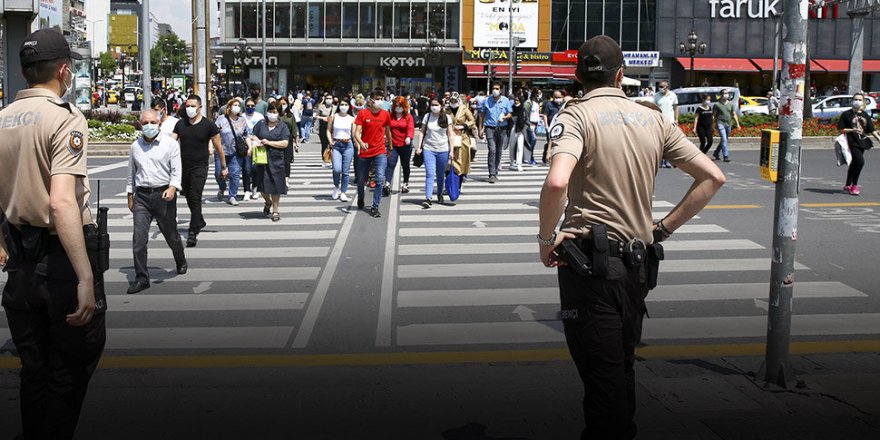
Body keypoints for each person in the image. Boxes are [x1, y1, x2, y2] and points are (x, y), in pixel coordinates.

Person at [537, 35, 725, 440]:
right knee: (621, 367)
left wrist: (545, 238)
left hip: (589, 268)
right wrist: (663, 228)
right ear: (621, 74)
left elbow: (556, 182)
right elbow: (713, 177)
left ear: (577, 76)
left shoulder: (576, 116)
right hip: (637, 264)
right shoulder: (654, 117)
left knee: (601, 380)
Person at [0, 29, 106, 438]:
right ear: (64, 70)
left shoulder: (4, 118)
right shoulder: (64, 117)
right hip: (59, 262)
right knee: (71, 365)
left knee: (34, 370)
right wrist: (84, 277)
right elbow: (62, 202)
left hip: (21, 267)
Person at [126, 110, 187, 294]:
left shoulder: (170, 144)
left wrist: (172, 188)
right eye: (145, 122)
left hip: (163, 196)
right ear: (140, 124)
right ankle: (142, 278)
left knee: (172, 235)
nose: (149, 125)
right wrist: (130, 195)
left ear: (159, 123)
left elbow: (176, 171)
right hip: (142, 198)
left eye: (153, 122)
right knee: (139, 240)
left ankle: (180, 259)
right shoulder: (135, 146)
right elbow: (131, 173)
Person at [172, 94, 226, 247]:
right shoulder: (180, 124)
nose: (189, 108)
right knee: (189, 196)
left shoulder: (209, 125)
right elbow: (171, 142)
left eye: (192, 106)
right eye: (187, 105)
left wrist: (223, 166)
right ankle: (199, 220)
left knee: (195, 196)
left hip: (200, 166)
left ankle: (192, 230)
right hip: (183, 167)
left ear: (199, 107)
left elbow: (218, 147)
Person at [353, 90, 392, 218]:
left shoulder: (385, 114)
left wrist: (390, 146)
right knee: (361, 180)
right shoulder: (363, 114)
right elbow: (356, 132)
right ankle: (361, 196)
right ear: (371, 100)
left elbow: (388, 131)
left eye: (382, 98)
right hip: (365, 152)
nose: (380, 100)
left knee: (380, 179)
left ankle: (375, 206)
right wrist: (361, 142)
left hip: (380, 150)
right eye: (377, 98)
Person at [250, 102, 292, 221]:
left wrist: (269, 142)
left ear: (279, 113)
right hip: (262, 158)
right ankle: (267, 201)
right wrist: (257, 141)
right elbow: (253, 135)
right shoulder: (261, 123)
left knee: (276, 186)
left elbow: (285, 143)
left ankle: (275, 210)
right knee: (262, 185)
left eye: (274, 112)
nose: (272, 114)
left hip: (276, 159)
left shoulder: (283, 126)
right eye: (270, 111)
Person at [839, 93, 880, 196]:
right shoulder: (846, 114)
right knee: (860, 161)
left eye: (860, 100)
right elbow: (841, 129)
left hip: (862, 141)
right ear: (852, 101)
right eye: (856, 99)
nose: (857, 101)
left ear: (863, 102)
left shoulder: (864, 115)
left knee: (855, 163)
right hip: (851, 140)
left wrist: (879, 139)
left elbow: (872, 130)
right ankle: (854, 186)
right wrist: (852, 130)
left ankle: (848, 184)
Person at [417, 99, 456, 208]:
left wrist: (452, 151)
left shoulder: (447, 117)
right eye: (432, 105)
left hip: (443, 149)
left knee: (440, 174)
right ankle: (428, 198)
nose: (434, 107)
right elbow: (422, 132)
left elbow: (450, 135)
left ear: (441, 106)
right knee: (430, 173)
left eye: (436, 105)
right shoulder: (427, 116)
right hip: (429, 149)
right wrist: (419, 147)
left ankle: (439, 193)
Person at [214, 98, 249, 205]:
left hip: (236, 151)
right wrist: (211, 146)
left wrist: (249, 147)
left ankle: (232, 196)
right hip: (221, 151)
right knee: (218, 173)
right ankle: (222, 187)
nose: (237, 107)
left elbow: (246, 135)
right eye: (234, 105)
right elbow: (214, 134)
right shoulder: (221, 119)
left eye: (238, 105)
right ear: (229, 107)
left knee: (235, 174)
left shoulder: (242, 120)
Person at [478, 82, 513, 183]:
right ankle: (491, 173)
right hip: (490, 128)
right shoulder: (487, 100)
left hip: (502, 128)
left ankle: (496, 170)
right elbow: (482, 114)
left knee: (498, 151)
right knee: (492, 150)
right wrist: (481, 128)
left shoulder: (505, 100)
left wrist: (505, 117)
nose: (495, 90)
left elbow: (510, 113)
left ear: (501, 90)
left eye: (497, 88)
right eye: (494, 88)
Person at [385, 96, 416, 196]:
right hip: (393, 144)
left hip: (405, 145)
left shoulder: (408, 117)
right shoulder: (390, 116)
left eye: (400, 106)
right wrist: (386, 137)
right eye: (396, 106)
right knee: (390, 164)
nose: (398, 108)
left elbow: (411, 128)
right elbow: (387, 128)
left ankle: (405, 184)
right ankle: (387, 184)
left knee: (405, 164)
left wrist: (409, 137)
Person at [327, 101, 356, 202]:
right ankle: (336, 187)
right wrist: (331, 142)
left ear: (349, 106)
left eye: (346, 105)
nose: (344, 107)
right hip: (336, 145)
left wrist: (358, 144)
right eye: (342, 104)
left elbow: (354, 134)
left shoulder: (352, 119)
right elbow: (328, 130)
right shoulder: (334, 116)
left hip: (348, 145)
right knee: (336, 169)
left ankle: (343, 192)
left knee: (346, 171)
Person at [450, 93, 476, 181]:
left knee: (462, 159)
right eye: (451, 100)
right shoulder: (446, 109)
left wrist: (464, 126)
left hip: (462, 137)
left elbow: (472, 120)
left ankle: (461, 178)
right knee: (449, 161)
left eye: (455, 100)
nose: (453, 102)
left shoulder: (464, 109)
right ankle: (450, 181)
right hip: (450, 136)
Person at [653, 81, 678, 168]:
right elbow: (654, 108)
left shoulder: (673, 95)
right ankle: (661, 161)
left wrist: (676, 119)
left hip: (670, 121)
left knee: (669, 142)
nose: (660, 88)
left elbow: (675, 107)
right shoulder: (656, 96)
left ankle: (667, 161)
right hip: (660, 121)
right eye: (659, 86)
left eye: (661, 86)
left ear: (666, 87)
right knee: (661, 142)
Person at [711, 88, 740, 162]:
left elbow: (733, 114)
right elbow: (713, 115)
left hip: (728, 124)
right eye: (725, 93)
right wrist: (712, 124)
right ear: (721, 95)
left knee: (724, 140)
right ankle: (726, 156)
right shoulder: (717, 105)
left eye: (727, 93)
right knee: (724, 139)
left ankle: (716, 152)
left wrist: (737, 123)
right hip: (720, 123)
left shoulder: (730, 104)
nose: (726, 95)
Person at [277, 96, 300, 185]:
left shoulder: (290, 116)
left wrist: (296, 142)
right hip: (277, 139)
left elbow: (294, 129)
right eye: (281, 104)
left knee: (287, 161)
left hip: (288, 140)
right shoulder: (276, 115)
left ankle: (286, 178)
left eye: (284, 104)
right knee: (278, 160)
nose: (282, 106)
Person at [541, 90, 565, 164]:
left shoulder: (563, 105)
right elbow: (545, 115)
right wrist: (546, 126)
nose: (557, 98)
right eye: (555, 97)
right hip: (551, 127)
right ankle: (547, 157)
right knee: (550, 142)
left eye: (559, 97)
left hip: (561, 127)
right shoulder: (549, 105)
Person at [317, 94, 336, 167]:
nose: (328, 100)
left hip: (332, 127)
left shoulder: (335, 107)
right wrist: (323, 118)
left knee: (332, 144)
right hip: (323, 126)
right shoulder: (321, 107)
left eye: (330, 98)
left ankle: (332, 160)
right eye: (327, 98)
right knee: (324, 144)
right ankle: (324, 159)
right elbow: (316, 116)